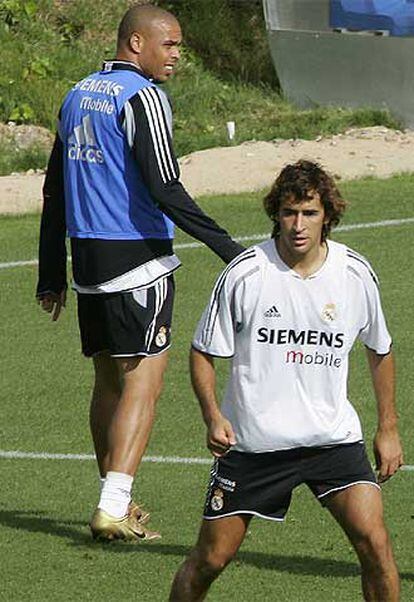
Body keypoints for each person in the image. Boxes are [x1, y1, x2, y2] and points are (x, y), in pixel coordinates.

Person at [36, 3, 244, 542]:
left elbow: (54, 187)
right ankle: (113, 504)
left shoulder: (77, 93)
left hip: (88, 260)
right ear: (136, 44)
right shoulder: (144, 97)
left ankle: (116, 501)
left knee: (108, 380)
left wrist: (50, 271)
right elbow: (165, 187)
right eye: (169, 44)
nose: (177, 54)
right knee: (143, 384)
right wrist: (231, 249)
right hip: (138, 259)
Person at [170, 160, 404, 601]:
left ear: (327, 217)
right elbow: (203, 352)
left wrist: (388, 427)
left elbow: (380, 350)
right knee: (208, 561)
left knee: (376, 545)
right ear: (276, 214)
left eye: (309, 213)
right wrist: (212, 415)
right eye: (289, 213)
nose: (298, 225)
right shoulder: (246, 273)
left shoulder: (355, 274)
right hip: (256, 446)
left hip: (331, 441)